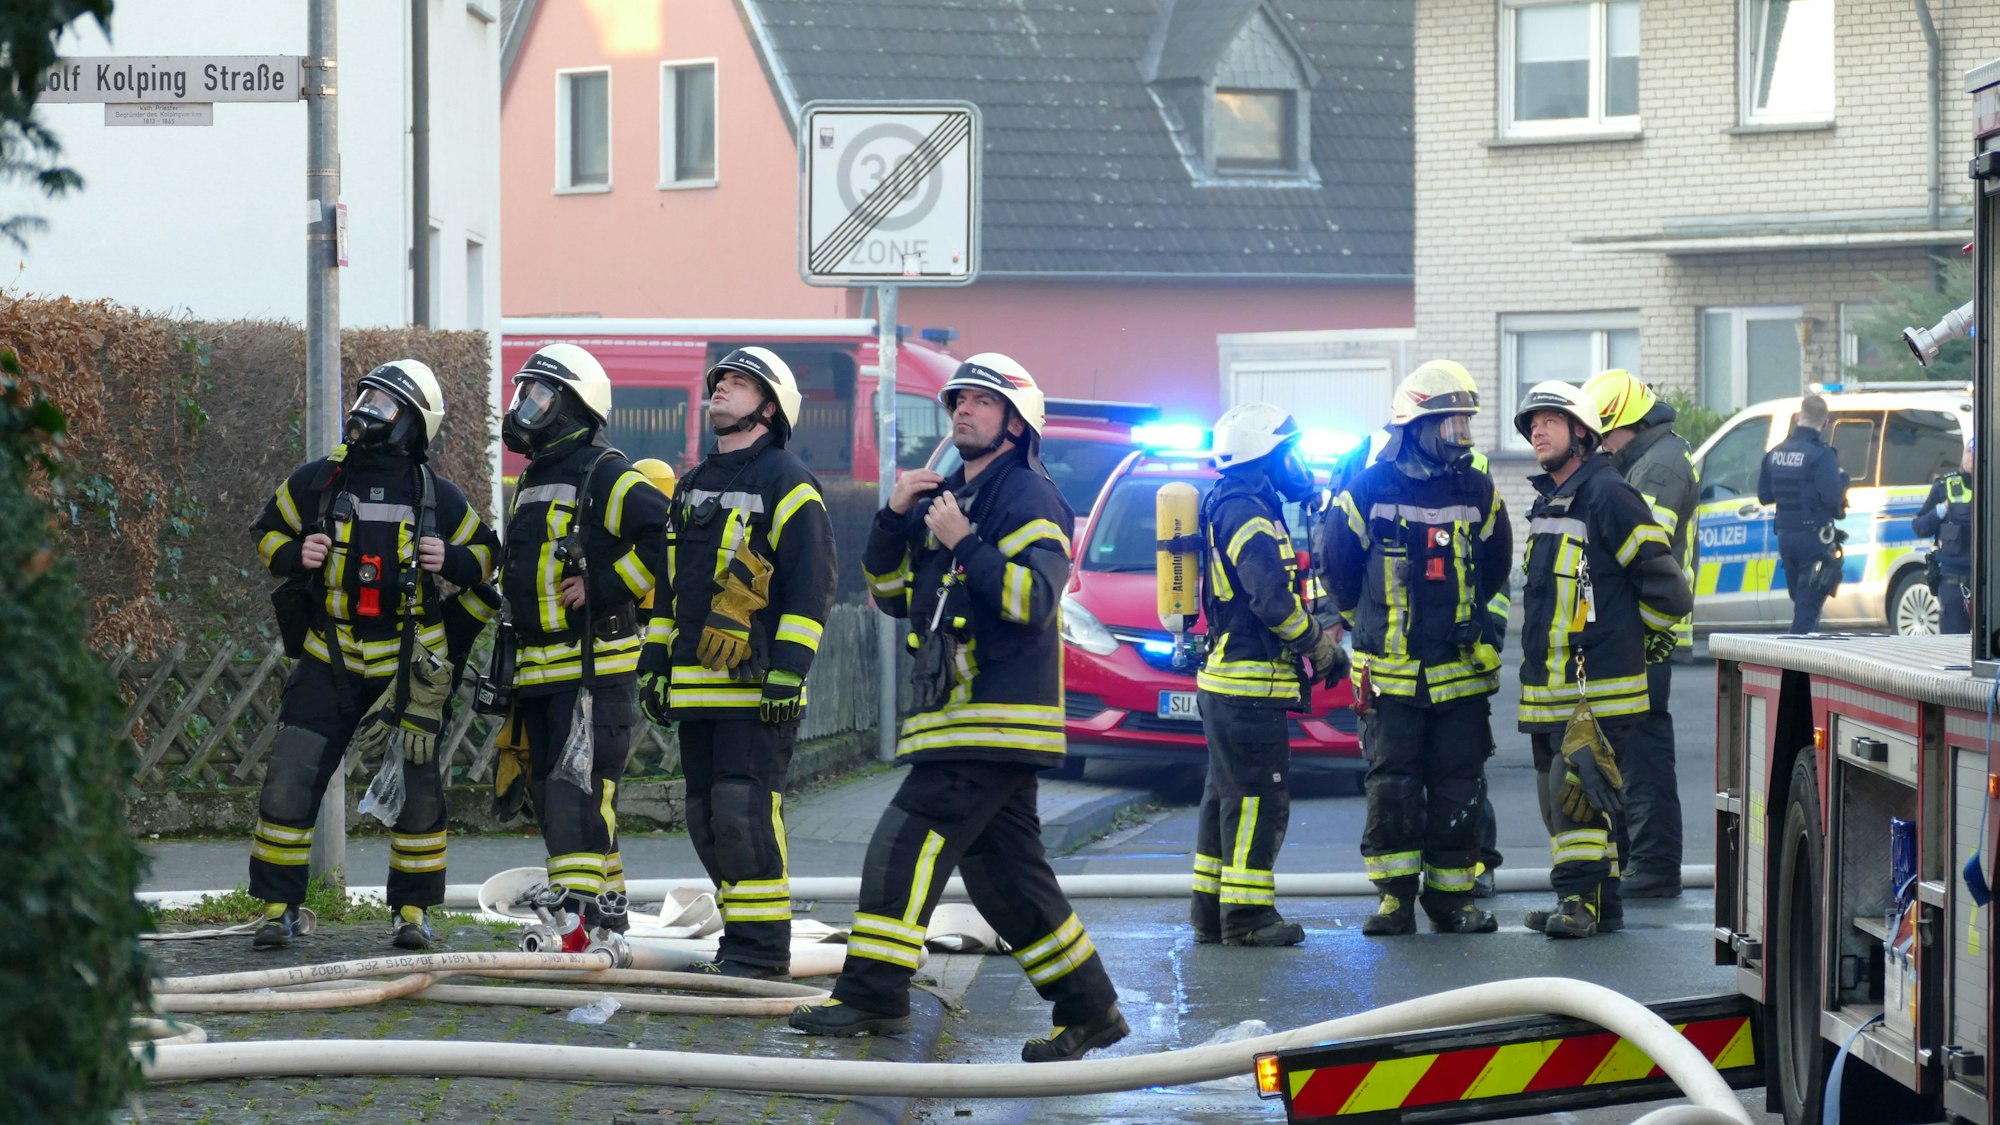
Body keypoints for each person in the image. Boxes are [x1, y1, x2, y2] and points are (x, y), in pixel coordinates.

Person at [791, 354, 1126, 1062]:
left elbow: (1034, 601)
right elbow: (888, 593)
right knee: (1006, 883)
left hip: (995, 721)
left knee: (903, 841)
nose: (963, 410)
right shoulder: (951, 499)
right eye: (958, 400)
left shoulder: (1030, 497)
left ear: (1016, 420)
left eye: (981, 400)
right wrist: (893, 515)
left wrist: (964, 544)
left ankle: (874, 991)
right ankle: (1091, 1008)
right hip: (957, 721)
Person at [248, 360, 498, 949]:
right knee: (290, 776)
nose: (366, 411)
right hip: (327, 654)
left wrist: (452, 561)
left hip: (406, 668)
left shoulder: (437, 495)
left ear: (412, 424)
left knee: (417, 792)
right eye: (365, 396)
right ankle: (279, 907)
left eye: (383, 404)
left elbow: (489, 553)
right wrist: (293, 553)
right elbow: (265, 529)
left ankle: (412, 914)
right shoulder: (317, 480)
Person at [635, 348, 834, 980]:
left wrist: (789, 672)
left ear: (769, 408)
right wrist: (654, 662)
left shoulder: (789, 482)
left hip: (756, 691)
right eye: (720, 379)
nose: (721, 388)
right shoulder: (692, 484)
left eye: (739, 383)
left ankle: (763, 951)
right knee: (705, 818)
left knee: (744, 814)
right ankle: (738, 944)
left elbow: (811, 587)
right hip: (696, 689)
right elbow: (668, 589)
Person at [1323, 360, 1509, 936]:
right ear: (1413, 426)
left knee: (1459, 784)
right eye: (1448, 425)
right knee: (1393, 785)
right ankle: (1395, 900)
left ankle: (1453, 901)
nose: (1459, 437)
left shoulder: (1476, 487)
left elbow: (1495, 567)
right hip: (1393, 677)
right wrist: (1373, 628)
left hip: (1460, 672)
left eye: (1464, 425)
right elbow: (1338, 571)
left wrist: (1478, 623)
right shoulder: (1368, 489)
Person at [495, 343, 670, 944]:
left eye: (538, 395)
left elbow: (664, 534)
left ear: (573, 407)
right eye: (524, 393)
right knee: (565, 800)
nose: (523, 406)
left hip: (593, 673)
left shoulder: (605, 472)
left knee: (575, 799)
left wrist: (605, 582)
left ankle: (572, 928)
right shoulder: (537, 475)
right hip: (540, 671)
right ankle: (606, 919)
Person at [1514, 381, 1691, 939]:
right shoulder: (1550, 504)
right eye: (1532, 423)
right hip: (1550, 691)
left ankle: (1579, 906)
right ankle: (1600, 903)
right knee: (1557, 803)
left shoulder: (1609, 496)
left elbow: (1667, 589)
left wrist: (1648, 641)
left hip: (1597, 691)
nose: (1538, 430)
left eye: (1551, 421)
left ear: (1583, 433)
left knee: (1578, 800)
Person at [1184, 402, 1346, 947]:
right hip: (1248, 686)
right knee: (1258, 798)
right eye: (1288, 451)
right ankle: (1248, 917)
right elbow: (1271, 602)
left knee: (1224, 798)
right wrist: (1318, 646)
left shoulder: (1235, 501)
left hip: (1227, 683)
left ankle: (1211, 912)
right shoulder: (1248, 513)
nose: (1295, 463)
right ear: (1263, 455)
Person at [1582, 369, 1697, 900]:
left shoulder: (1661, 467)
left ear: (1631, 423)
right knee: (1630, 750)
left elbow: (1645, 551)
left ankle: (1652, 866)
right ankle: (1638, 861)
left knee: (1645, 754)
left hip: (1653, 635)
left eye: (1605, 436)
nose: (1602, 448)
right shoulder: (1646, 459)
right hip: (1639, 632)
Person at [1757, 392, 1849, 634]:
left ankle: (1801, 666)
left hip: (1786, 536)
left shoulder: (1775, 453)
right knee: (1807, 614)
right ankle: (1794, 668)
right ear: (1825, 423)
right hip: (1813, 538)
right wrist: (1843, 481)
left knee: (1802, 604)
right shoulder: (1822, 456)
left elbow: (1764, 496)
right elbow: (1832, 499)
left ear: (1798, 417)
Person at [1912, 435, 1975, 635]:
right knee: (1953, 647)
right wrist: (1942, 509)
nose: (1972, 456)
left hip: (1988, 586)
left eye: (1977, 451)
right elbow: (1920, 526)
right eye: (1969, 451)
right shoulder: (1945, 487)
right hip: (1953, 584)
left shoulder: (1994, 485)